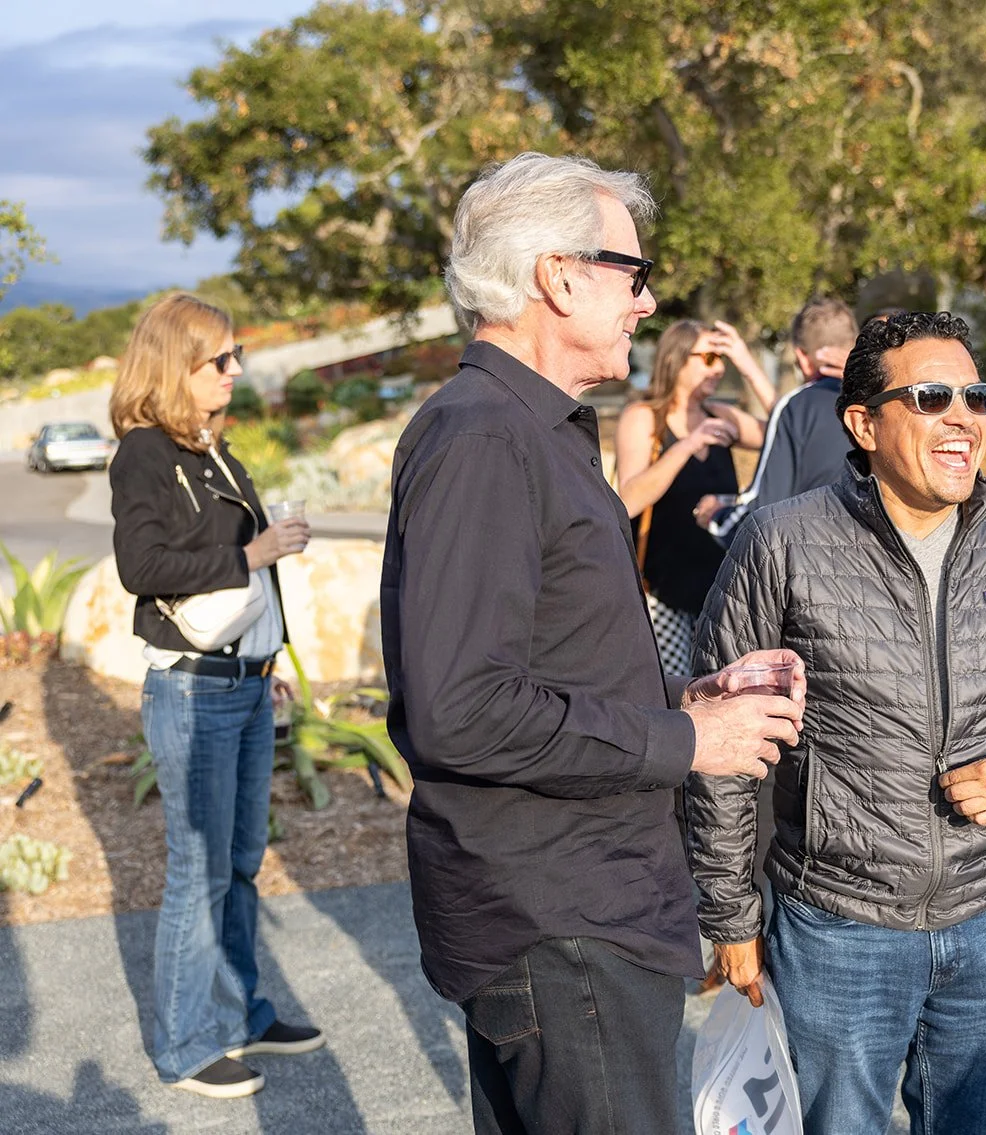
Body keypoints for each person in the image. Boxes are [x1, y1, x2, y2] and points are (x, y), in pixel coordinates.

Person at [379, 152, 807, 1135]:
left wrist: (691, 701)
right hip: (560, 922)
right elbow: (463, 708)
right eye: (633, 273)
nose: (647, 302)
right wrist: (685, 742)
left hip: (580, 907)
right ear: (558, 275)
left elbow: (549, 660)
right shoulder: (485, 436)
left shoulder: (535, 432)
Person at [685, 311, 986, 1135]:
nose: (964, 416)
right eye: (932, 396)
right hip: (839, 933)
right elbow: (724, 743)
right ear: (863, 421)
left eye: (976, 396)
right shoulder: (782, 542)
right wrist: (731, 915)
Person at [108, 293, 321, 1099]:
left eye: (236, 357)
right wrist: (253, 549)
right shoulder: (144, 454)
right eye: (220, 359)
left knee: (239, 862)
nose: (236, 370)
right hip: (192, 692)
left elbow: (252, 573)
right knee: (196, 870)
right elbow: (143, 566)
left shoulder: (215, 451)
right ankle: (187, 1045)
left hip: (245, 680)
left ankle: (240, 1013)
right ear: (177, 365)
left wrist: (277, 657)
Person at [613, 318, 773, 672]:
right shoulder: (645, 418)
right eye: (709, 358)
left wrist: (748, 365)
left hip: (723, 591)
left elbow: (787, 432)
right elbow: (629, 500)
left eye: (722, 359)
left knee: (723, 692)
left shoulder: (721, 415)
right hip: (663, 595)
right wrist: (686, 445)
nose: (718, 369)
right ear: (678, 360)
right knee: (674, 696)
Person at [700, 296, 858, 543]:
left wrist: (716, 516)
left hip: (813, 563)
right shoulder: (883, 404)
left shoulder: (798, 406)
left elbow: (764, 515)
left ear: (802, 357)